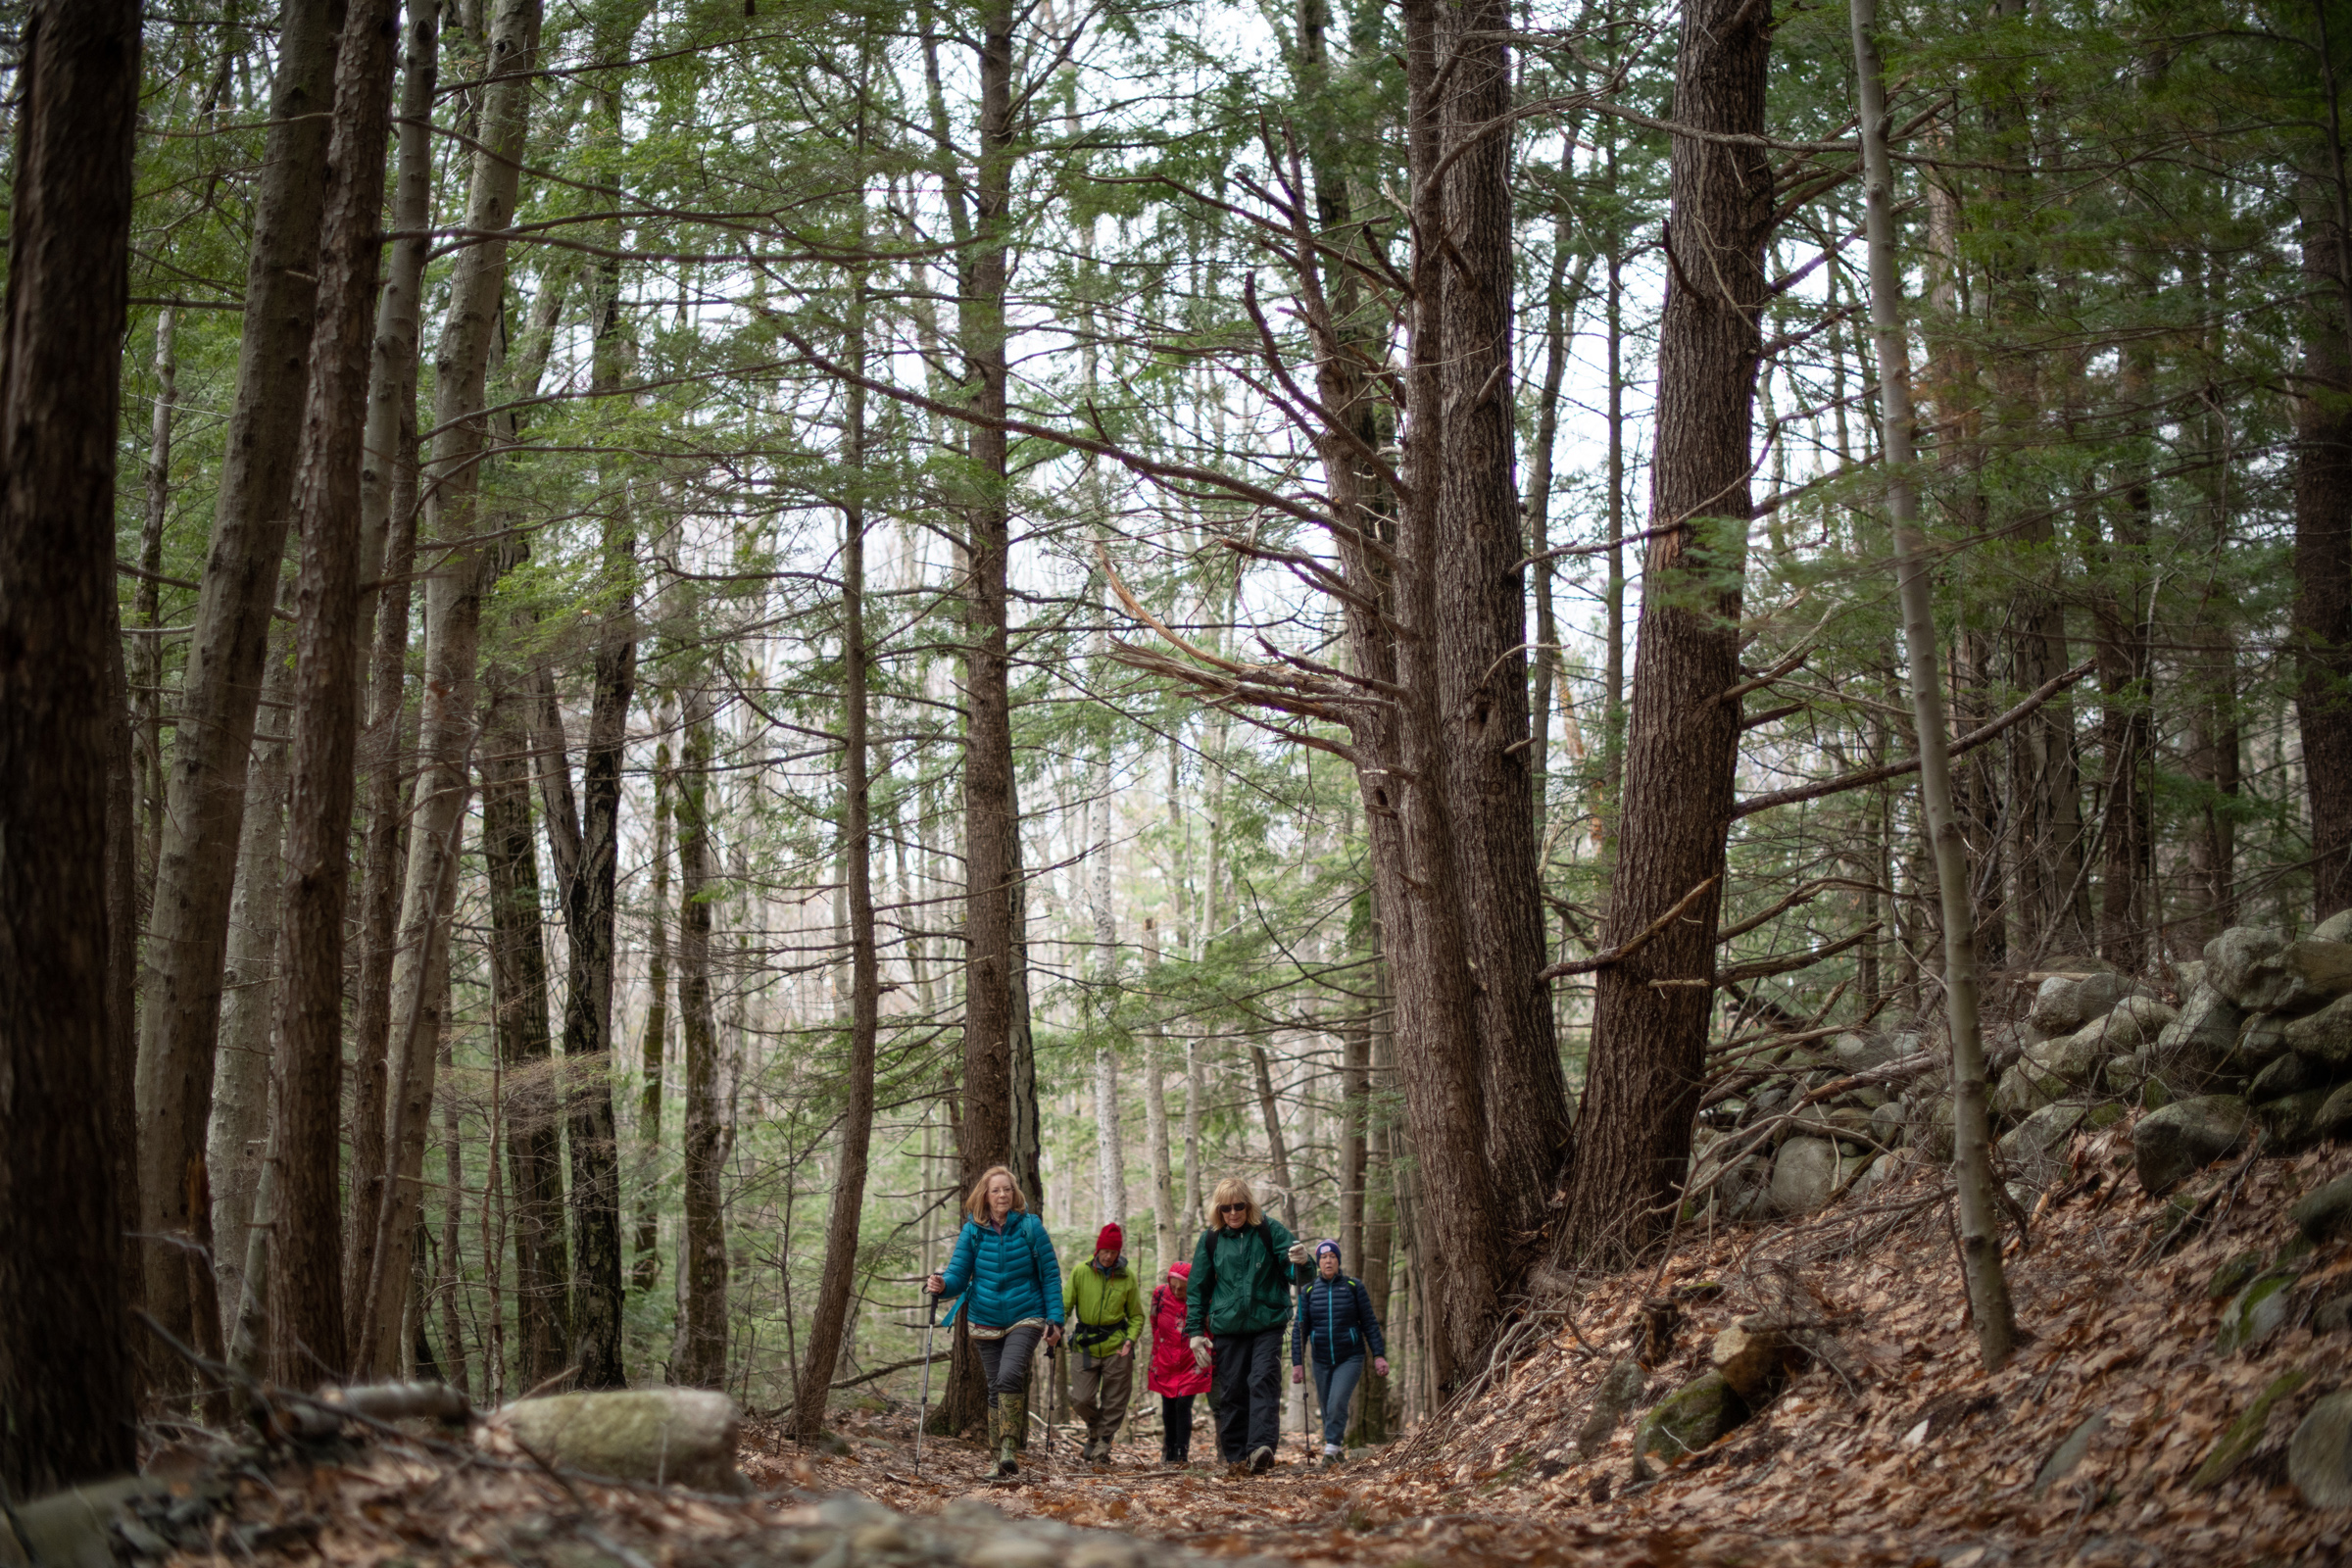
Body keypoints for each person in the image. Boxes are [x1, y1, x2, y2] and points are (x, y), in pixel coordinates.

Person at [925, 1165, 1063, 1478]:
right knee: (994, 1387)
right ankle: (996, 1460)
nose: (1002, 1195)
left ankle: (1008, 1449)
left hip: (1026, 1313)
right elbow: (959, 1275)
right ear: (985, 1196)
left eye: (1007, 1189)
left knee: (1010, 1375)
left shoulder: (1031, 1226)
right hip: (984, 1317)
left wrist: (1055, 1319)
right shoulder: (972, 1230)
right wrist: (942, 1284)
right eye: (996, 1190)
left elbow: (1051, 1275)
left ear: (1015, 1194)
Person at [1184, 1177, 1309, 1473]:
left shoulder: (1269, 1230)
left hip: (1267, 1322)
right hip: (1228, 1327)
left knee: (1262, 1379)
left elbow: (1298, 1274)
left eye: (1238, 1206)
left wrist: (1303, 1262)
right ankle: (1237, 1456)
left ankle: (1260, 1449)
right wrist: (1194, 1333)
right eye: (1226, 1208)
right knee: (1233, 1391)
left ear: (1248, 1205)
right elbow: (1197, 1288)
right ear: (1219, 1210)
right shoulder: (1211, 1239)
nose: (1233, 1213)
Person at [1289, 1240, 1389, 1466]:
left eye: (1332, 1256)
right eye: (1323, 1257)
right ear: (1318, 1263)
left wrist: (1378, 1355)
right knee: (1326, 1408)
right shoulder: (1309, 1290)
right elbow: (1299, 1329)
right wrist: (1297, 1363)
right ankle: (1336, 1450)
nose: (1328, 1260)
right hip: (1321, 1358)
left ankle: (1331, 1450)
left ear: (1338, 1260)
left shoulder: (1354, 1287)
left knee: (1336, 1403)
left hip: (1350, 1357)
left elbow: (1370, 1324)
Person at [1062, 1222, 1144, 1463]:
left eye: (1114, 1252)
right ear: (1098, 1250)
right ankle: (1095, 1431)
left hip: (1117, 1345)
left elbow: (1137, 1315)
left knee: (1115, 1400)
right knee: (1081, 1398)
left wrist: (1130, 1339)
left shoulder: (1127, 1277)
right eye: (1105, 1251)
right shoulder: (1080, 1271)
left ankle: (1103, 1444)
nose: (1109, 1257)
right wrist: (1054, 1325)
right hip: (1085, 1344)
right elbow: (1065, 1304)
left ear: (1119, 1253)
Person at [1147, 1260, 1209, 1466]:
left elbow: (1207, 1325)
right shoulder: (1160, 1294)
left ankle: (1182, 1453)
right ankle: (1169, 1448)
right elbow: (1154, 1321)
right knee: (1168, 1406)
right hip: (1165, 1357)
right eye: (1174, 1287)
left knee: (1183, 1404)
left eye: (1182, 1288)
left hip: (1191, 1358)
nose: (1177, 1290)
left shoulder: (1199, 1298)